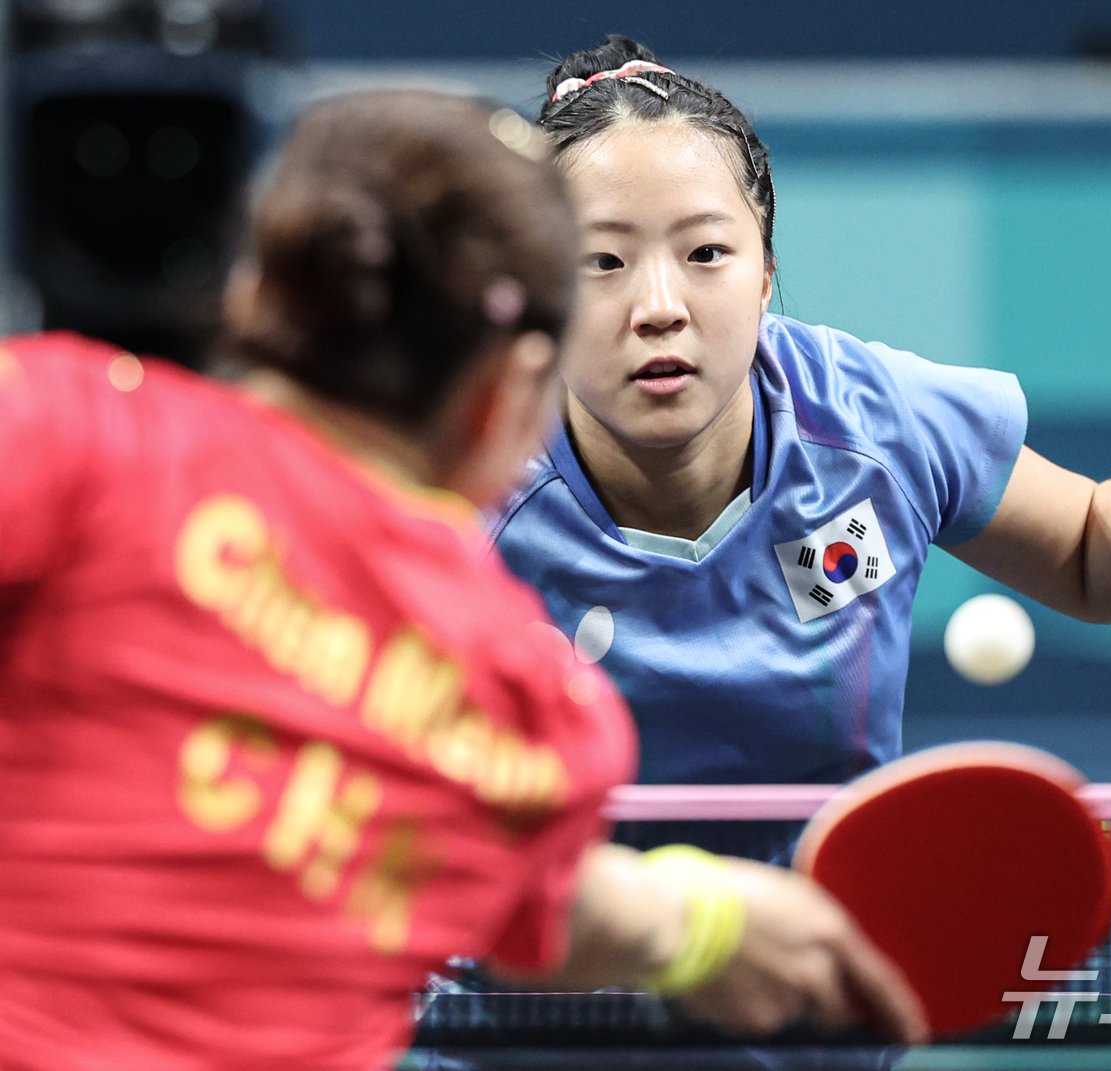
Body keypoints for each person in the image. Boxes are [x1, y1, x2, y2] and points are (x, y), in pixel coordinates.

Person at [0, 89, 926, 1070]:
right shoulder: (534, 706)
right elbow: (547, 911)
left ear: (253, 300)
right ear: (506, 394)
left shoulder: (76, 429)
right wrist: (703, 923)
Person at [491, 36, 1111, 797]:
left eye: (706, 252)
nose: (660, 306)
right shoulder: (465, 482)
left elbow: (1094, 558)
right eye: (601, 260)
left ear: (767, 274)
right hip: (546, 954)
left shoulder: (874, 424)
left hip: (819, 942)